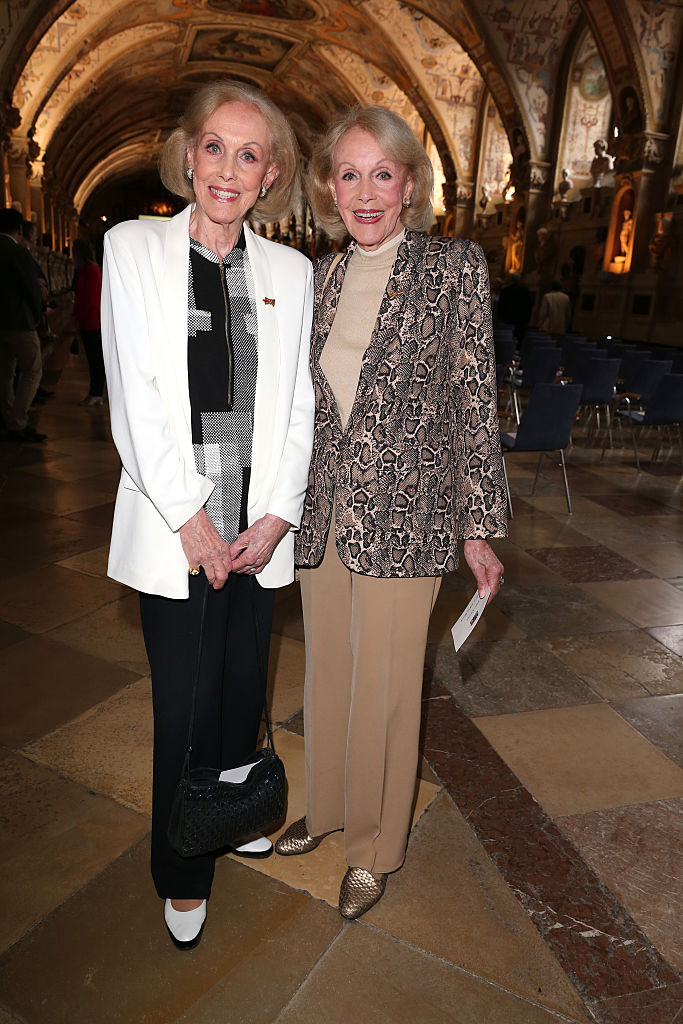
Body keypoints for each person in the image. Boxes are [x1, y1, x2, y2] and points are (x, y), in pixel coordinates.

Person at [275, 106, 506, 919]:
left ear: (409, 184)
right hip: (326, 511)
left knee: (386, 686)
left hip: (411, 515)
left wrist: (478, 524)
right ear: (327, 188)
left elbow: (474, 400)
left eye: (382, 173)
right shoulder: (320, 276)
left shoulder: (453, 268)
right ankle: (330, 807)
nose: (365, 192)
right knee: (329, 672)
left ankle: (375, 846)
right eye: (348, 173)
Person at [101, 80, 314, 950]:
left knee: (239, 689)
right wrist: (191, 518)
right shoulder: (134, 250)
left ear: (270, 177)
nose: (229, 168)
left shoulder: (290, 272)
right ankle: (182, 868)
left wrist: (273, 517)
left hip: (253, 526)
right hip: (175, 524)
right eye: (215, 148)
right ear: (189, 157)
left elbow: (298, 404)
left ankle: (233, 812)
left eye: (250, 154)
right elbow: (135, 400)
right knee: (185, 706)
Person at [0, 207, 46, 442]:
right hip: (20, 323)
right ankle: (18, 421)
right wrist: (39, 312)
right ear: (20, 229)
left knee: (5, 374)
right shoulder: (18, 253)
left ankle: (8, 417)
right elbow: (31, 288)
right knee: (32, 370)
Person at [72, 239, 105, 406]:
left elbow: (91, 300)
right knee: (93, 360)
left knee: (95, 360)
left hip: (92, 322)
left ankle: (96, 394)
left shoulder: (91, 270)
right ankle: (95, 393)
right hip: (88, 320)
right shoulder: (86, 270)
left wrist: (79, 318)